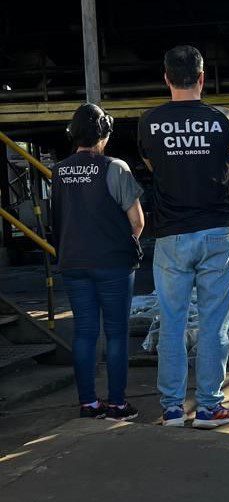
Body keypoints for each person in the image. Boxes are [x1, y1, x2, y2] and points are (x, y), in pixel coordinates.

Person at [137, 45, 229, 429]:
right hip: (217, 231)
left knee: (172, 322)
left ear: (166, 78)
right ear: (202, 77)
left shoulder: (149, 122)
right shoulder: (225, 119)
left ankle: (172, 409)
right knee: (214, 325)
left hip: (171, 236)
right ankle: (210, 406)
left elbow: (153, 165)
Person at [53, 103, 145, 421]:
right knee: (116, 333)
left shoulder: (59, 171)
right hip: (113, 262)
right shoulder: (114, 167)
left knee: (84, 332)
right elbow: (137, 221)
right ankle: (117, 404)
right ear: (104, 134)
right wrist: (125, 242)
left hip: (73, 261)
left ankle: (89, 404)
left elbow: (59, 218)